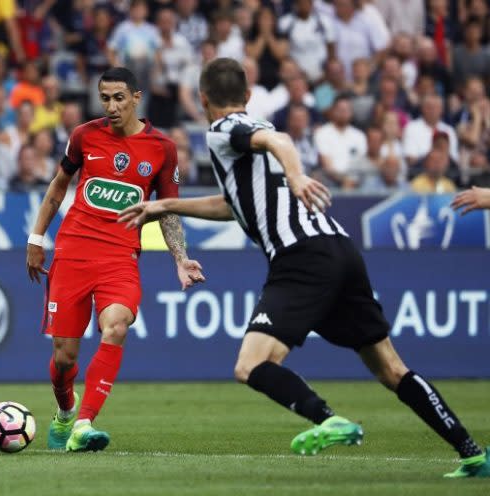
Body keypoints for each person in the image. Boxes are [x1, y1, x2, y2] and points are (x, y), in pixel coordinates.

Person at [118, 58, 489, 479]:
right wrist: (163, 205)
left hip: (301, 256)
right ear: (249, 94)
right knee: (390, 368)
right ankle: (471, 450)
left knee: (250, 365)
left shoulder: (224, 130)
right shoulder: (246, 147)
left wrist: (295, 177)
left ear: (203, 98)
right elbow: (233, 205)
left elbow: (282, 143)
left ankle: (328, 419)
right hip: (339, 249)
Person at [25, 67, 204, 453]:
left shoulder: (162, 148)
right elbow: (58, 188)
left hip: (120, 257)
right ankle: (65, 411)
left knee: (117, 326)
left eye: (119, 97)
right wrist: (36, 238)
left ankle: (84, 425)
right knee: (63, 358)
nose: (111, 106)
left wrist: (181, 258)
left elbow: (169, 210)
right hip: (72, 252)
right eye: (105, 98)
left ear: (137, 98)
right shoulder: (84, 135)